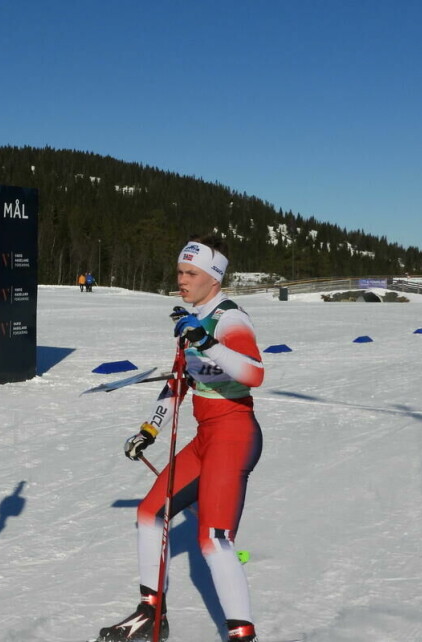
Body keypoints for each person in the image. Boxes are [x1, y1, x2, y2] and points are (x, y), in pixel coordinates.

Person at [95, 236, 264, 642]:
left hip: (235, 434)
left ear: (215, 278)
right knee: (149, 513)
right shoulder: (189, 320)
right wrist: (149, 429)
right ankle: (151, 614)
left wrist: (205, 341)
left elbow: (254, 372)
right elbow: (179, 382)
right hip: (207, 437)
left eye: (191, 274)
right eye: (179, 272)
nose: (182, 280)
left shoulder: (229, 319)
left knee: (213, 540)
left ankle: (243, 634)